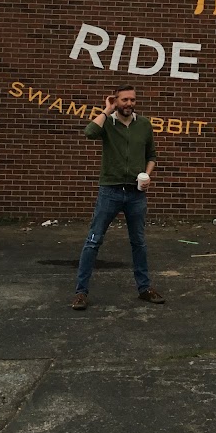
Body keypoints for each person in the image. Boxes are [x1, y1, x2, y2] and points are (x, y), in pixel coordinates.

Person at [71, 86, 164, 309]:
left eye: (132, 99)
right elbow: (89, 132)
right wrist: (107, 109)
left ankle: (144, 288)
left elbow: (151, 155)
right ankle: (81, 292)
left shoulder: (144, 125)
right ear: (116, 100)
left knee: (139, 242)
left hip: (136, 193)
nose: (129, 103)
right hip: (110, 191)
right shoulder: (108, 124)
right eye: (124, 100)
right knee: (93, 241)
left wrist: (147, 176)